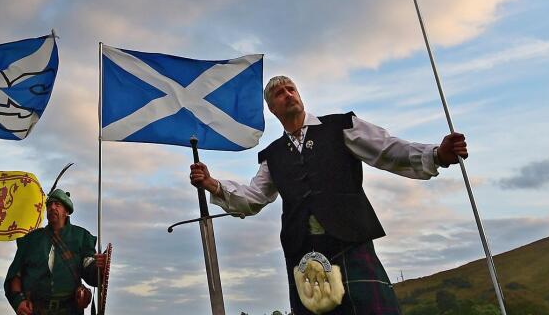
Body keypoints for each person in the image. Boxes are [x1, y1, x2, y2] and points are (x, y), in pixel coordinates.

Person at [189, 76, 468, 315]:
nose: (288, 95)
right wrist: (213, 184)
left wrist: (437, 155)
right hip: (303, 254)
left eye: (291, 89)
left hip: (350, 244)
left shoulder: (341, 126)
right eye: (279, 93)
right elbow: (254, 197)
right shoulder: (272, 156)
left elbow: (388, 149)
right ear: (272, 109)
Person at [4, 187, 109, 315]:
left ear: (66, 212)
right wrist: (18, 301)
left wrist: (100, 267)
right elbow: (15, 275)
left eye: (57, 204)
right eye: (49, 205)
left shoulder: (81, 237)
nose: (52, 207)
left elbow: (90, 270)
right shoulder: (30, 240)